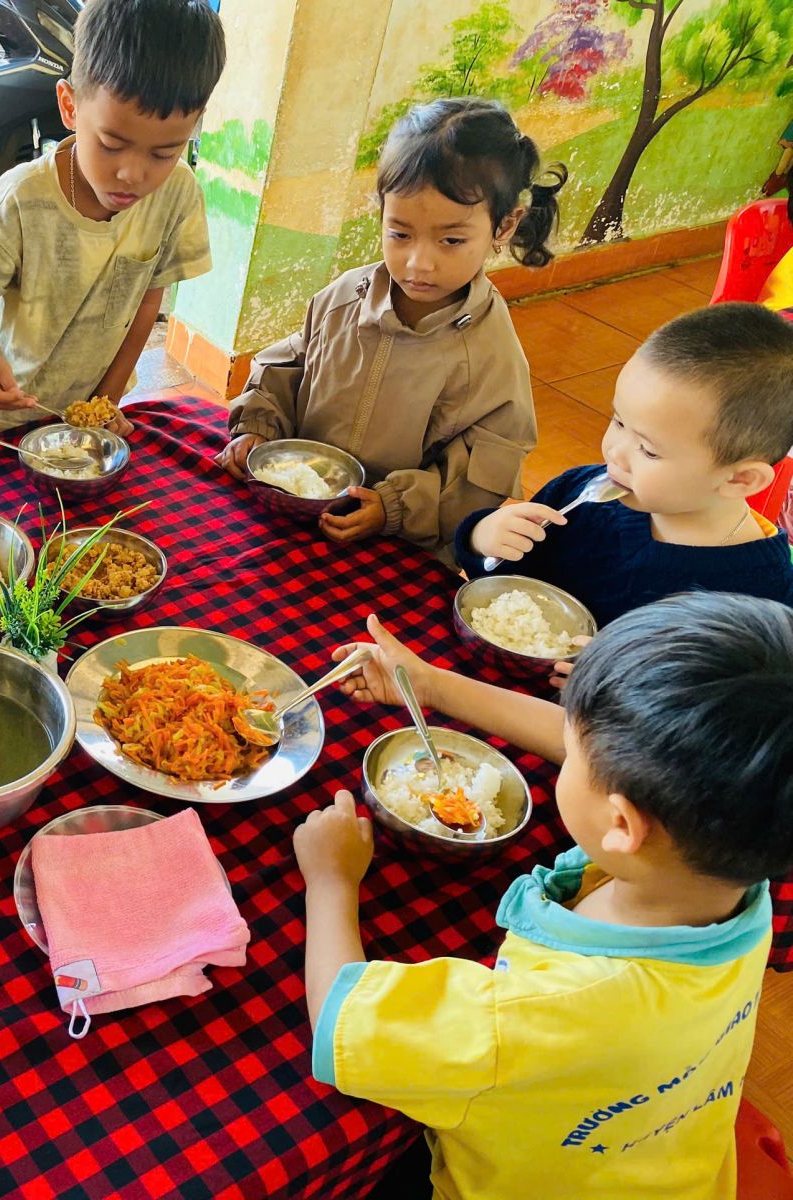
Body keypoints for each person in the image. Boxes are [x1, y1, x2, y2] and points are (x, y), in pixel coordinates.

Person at [295, 596, 793, 1199]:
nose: (563, 745)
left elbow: (340, 1022)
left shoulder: (533, 1015)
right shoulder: (739, 871)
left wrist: (331, 880)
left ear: (622, 823)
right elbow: (605, 751)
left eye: (573, 750)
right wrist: (429, 685)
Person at [217, 98, 563, 566]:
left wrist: (393, 508)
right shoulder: (344, 297)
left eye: (451, 240)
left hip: (396, 549)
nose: (419, 263)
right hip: (291, 518)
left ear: (505, 225)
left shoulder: (489, 353)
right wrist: (258, 428)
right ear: (380, 211)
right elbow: (290, 364)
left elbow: (480, 477)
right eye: (400, 233)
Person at [0, 0, 225, 436]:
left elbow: (148, 298)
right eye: (111, 145)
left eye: (164, 153)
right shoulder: (21, 199)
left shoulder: (177, 193)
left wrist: (106, 400)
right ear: (70, 106)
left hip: (90, 412)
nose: (133, 175)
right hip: (6, 419)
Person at [457, 304, 793, 639]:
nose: (615, 451)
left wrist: (607, 666)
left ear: (739, 479)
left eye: (648, 450)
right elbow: (504, 586)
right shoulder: (580, 494)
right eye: (618, 421)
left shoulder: (761, 601)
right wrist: (483, 540)